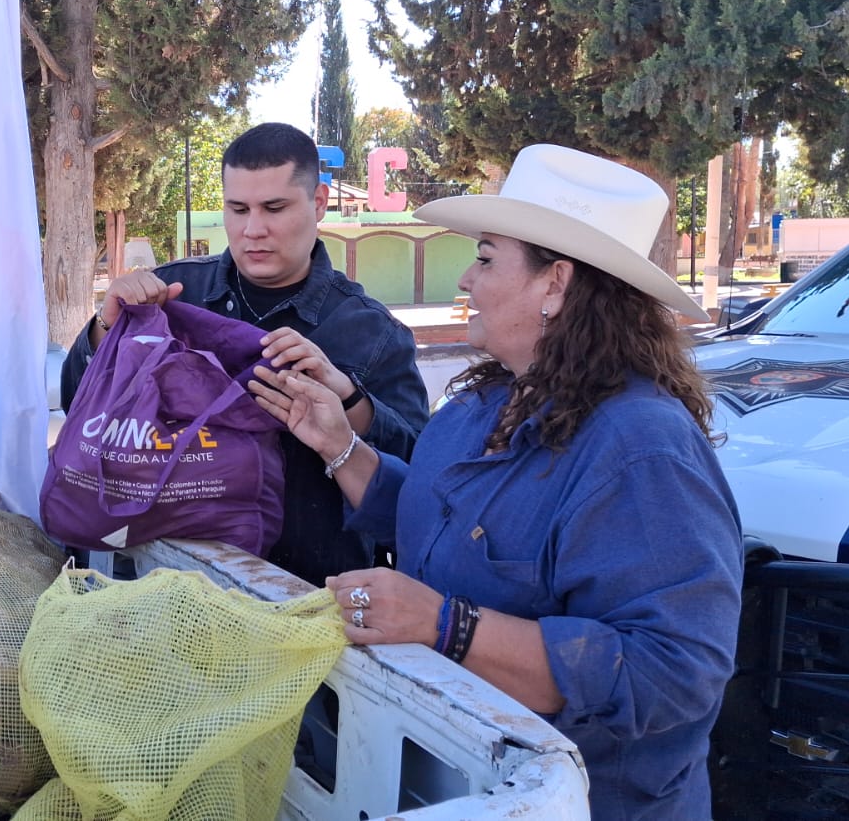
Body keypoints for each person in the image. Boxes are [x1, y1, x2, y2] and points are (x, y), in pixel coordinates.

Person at [251, 144, 743, 819]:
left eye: (485, 258)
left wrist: (446, 625)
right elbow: (432, 520)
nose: (464, 280)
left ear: (555, 285)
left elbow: (672, 673)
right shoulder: (476, 407)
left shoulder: (642, 446)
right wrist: (338, 445)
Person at [59, 122, 429, 586]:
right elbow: (78, 406)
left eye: (274, 208)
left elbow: (419, 481)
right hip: (163, 585)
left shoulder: (372, 333)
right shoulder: (173, 296)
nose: (253, 229)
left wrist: (351, 403)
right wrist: (105, 328)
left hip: (308, 600)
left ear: (317, 203)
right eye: (238, 209)